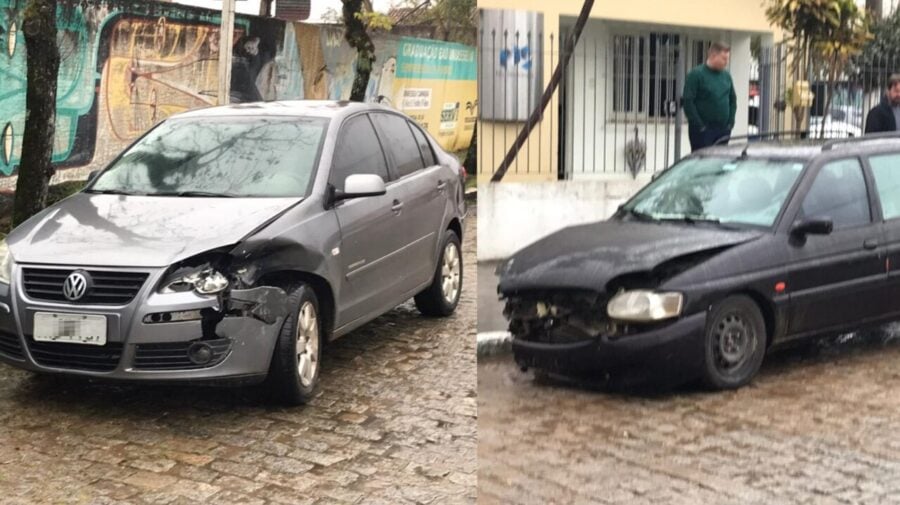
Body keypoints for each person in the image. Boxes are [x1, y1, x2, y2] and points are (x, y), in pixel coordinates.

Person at [683, 42, 737, 151]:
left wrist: (730, 122)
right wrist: (699, 125)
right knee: (702, 160)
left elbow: (732, 99)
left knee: (720, 159)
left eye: (727, 59)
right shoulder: (696, 75)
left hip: (723, 129)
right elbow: (688, 101)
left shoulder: (726, 76)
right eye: (723, 59)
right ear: (713, 56)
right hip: (702, 130)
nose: (726, 62)